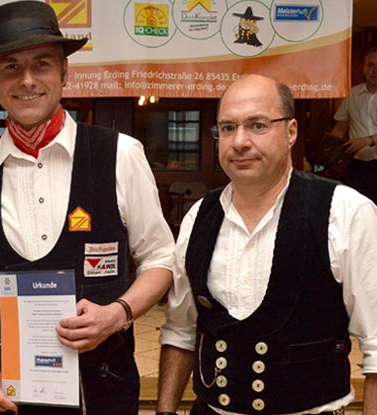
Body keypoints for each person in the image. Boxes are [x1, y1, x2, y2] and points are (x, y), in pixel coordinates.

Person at [0, 1, 174, 414]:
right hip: (4, 389)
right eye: (11, 67)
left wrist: (118, 313)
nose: (27, 80)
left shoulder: (120, 154)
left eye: (42, 64)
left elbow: (161, 258)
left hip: (101, 385)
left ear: (64, 73)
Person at [156, 74, 377, 415]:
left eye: (257, 125)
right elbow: (180, 332)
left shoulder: (346, 212)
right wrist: (165, 411)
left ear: (291, 132)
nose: (239, 141)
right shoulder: (198, 216)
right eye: (227, 128)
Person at [329, 47, 377, 204]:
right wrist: (325, 154)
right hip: (358, 165)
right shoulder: (352, 94)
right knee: (359, 208)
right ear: (363, 68)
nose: (374, 71)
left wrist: (368, 140)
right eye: (370, 65)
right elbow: (339, 129)